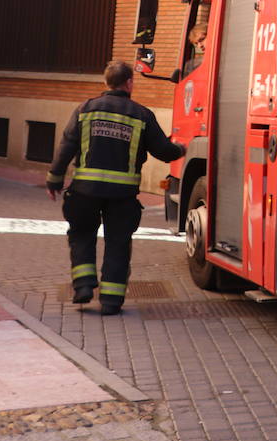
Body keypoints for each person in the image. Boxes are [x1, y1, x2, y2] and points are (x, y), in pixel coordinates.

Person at [46, 60, 185, 315]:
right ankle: (111, 301)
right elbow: (163, 151)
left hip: (84, 192)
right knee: (118, 243)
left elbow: (66, 145)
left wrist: (54, 179)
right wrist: (182, 149)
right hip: (122, 196)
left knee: (81, 236)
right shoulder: (142, 114)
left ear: (105, 82)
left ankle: (84, 287)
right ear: (129, 83)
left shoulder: (85, 109)